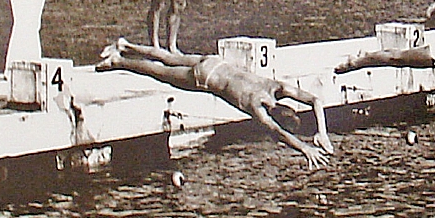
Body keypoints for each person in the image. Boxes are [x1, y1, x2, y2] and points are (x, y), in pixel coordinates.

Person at [96, 38, 334, 169]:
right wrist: (305, 149)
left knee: (169, 56)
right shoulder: (257, 108)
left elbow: (315, 100)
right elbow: (279, 133)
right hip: (206, 78)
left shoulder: (276, 88)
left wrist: (322, 131)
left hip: (214, 63)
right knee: (159, 72)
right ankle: (120, 61)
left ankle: (127, 45)